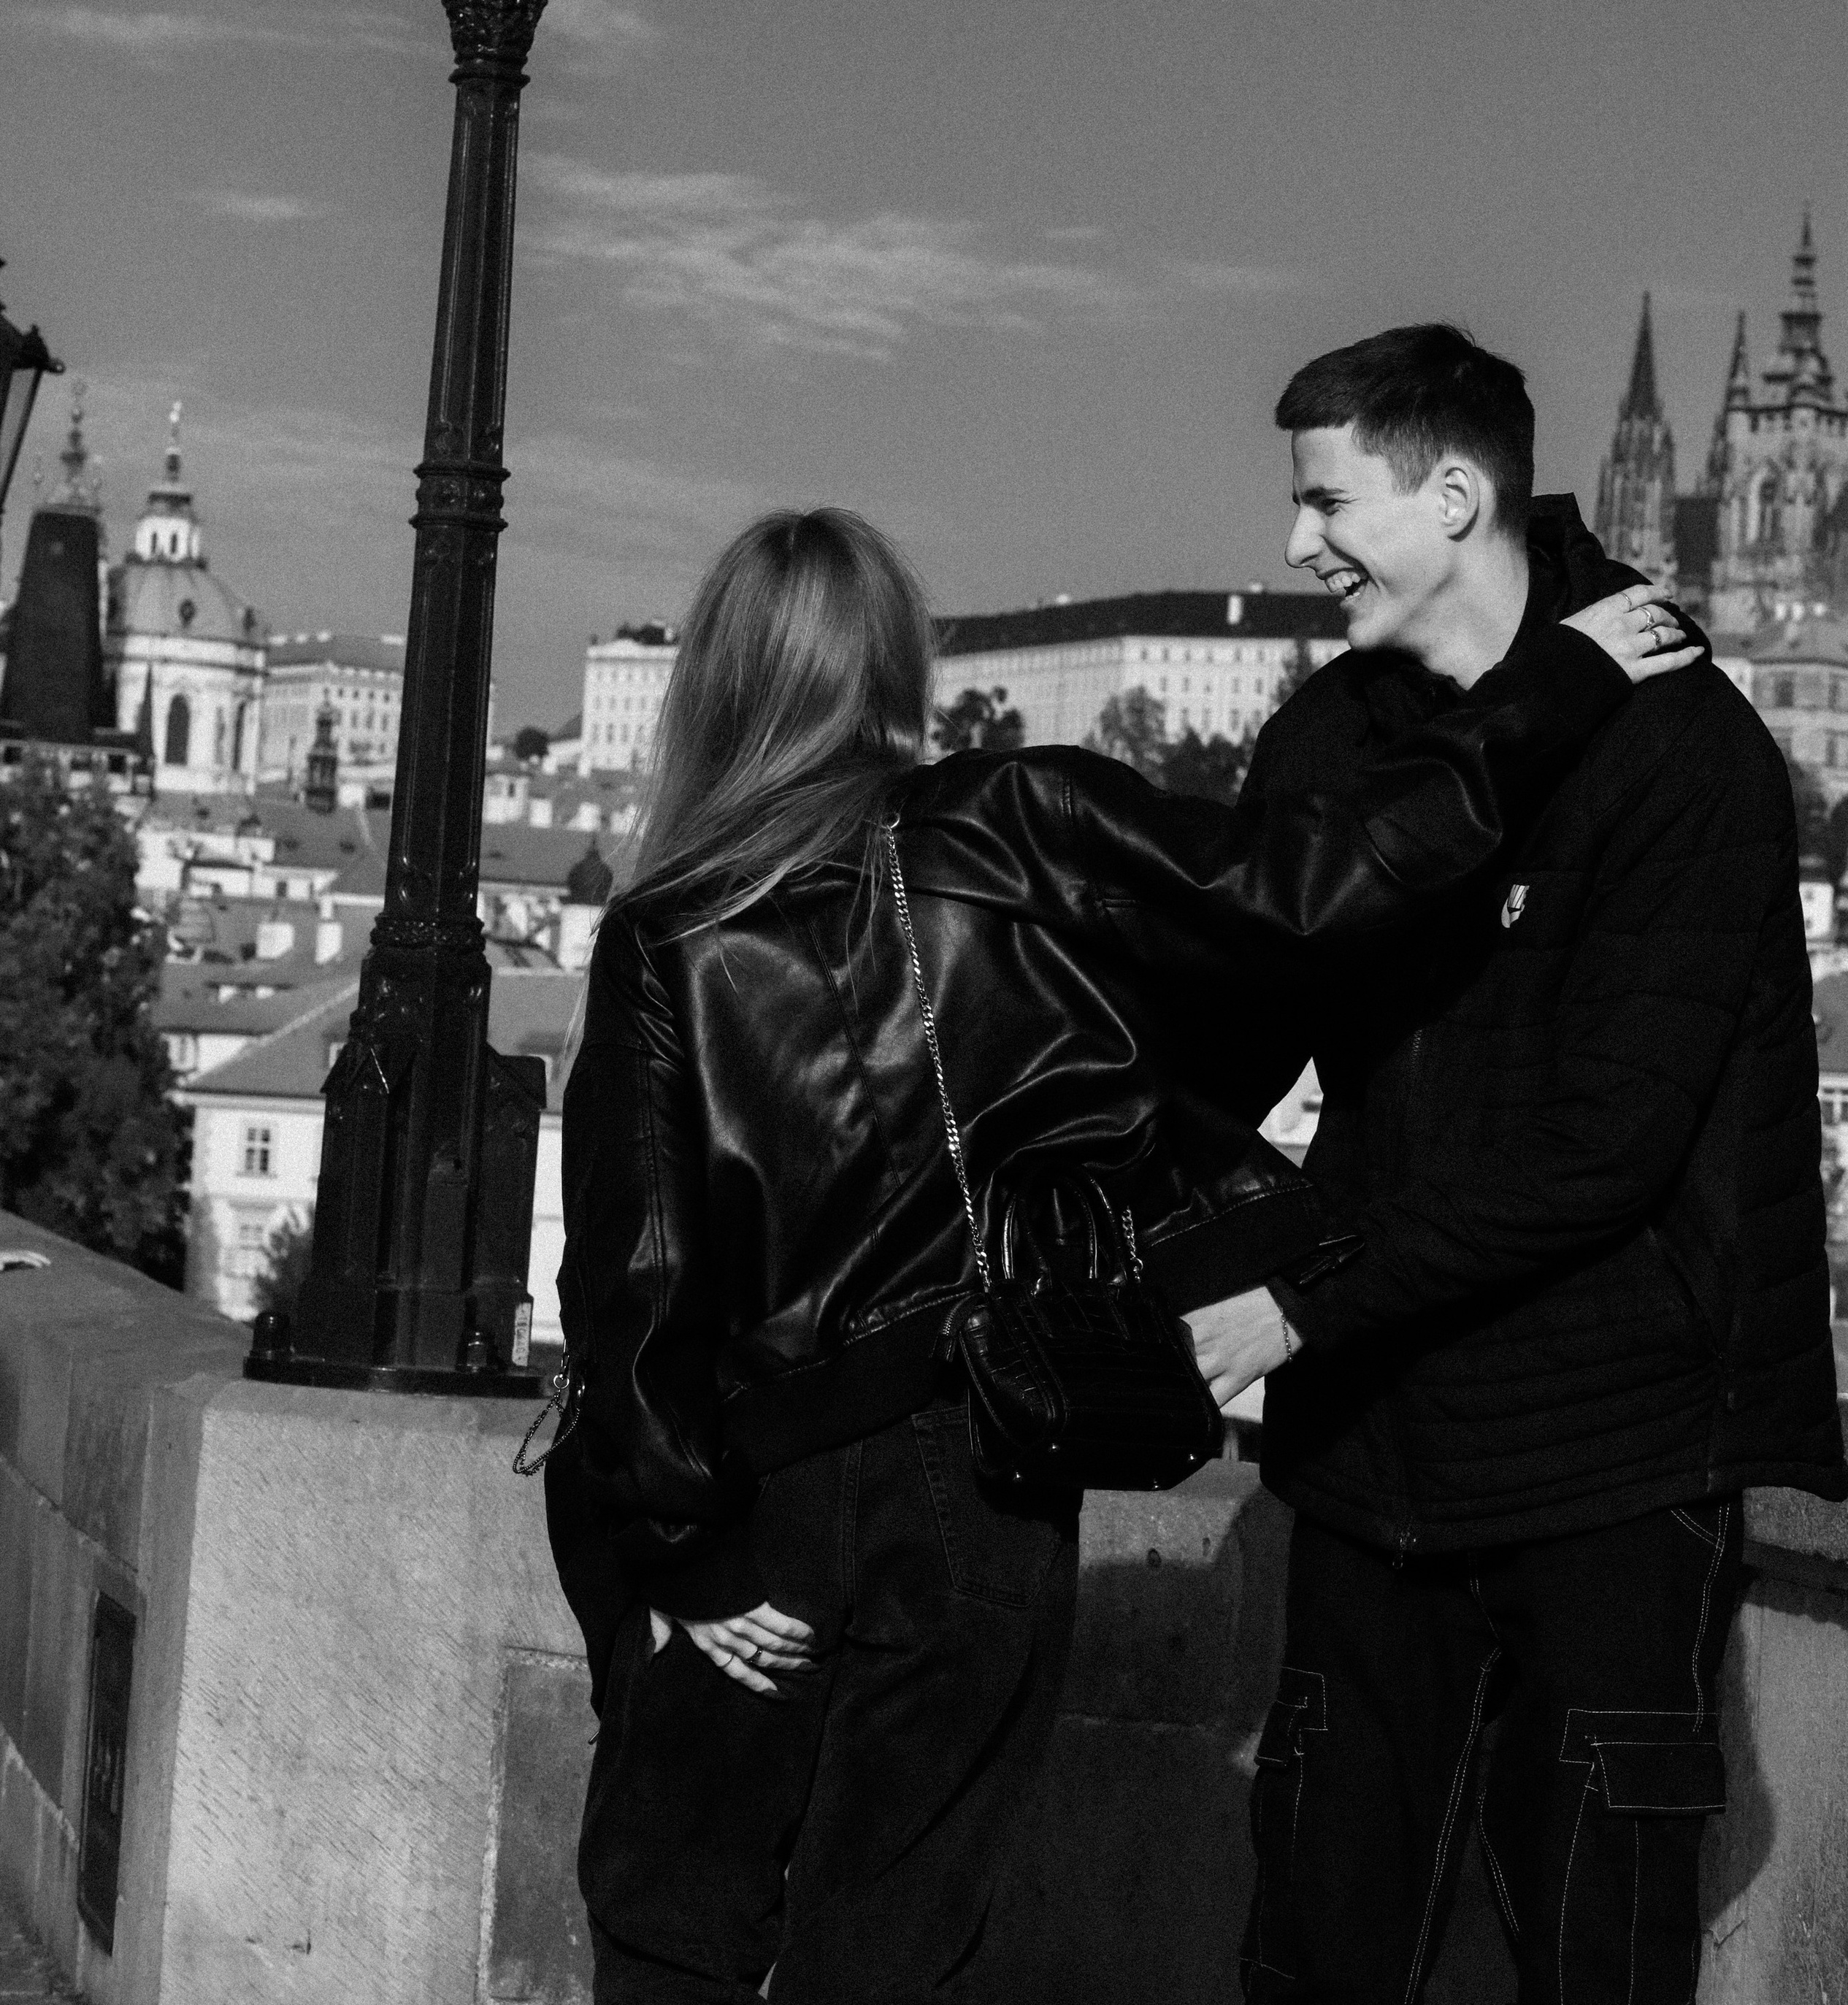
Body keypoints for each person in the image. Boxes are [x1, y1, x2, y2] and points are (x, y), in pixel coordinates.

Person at [548, 505, 1688, 2005]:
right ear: (897, 658)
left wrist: (680, 1546)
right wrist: (1561, 678)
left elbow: (628, 1278)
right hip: (983, 1459)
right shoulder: (1013, 821)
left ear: (710, 680)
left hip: (756, 1480)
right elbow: (1316, 876)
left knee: (673, 1926)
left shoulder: (665, 927)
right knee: (898, 1942)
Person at [1186, 324, 1847, 2005]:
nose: (1293, 544)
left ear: (1453, 494)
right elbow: (1223, 1038)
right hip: (1372, 1461)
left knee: (1591, 1965)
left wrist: (1290, 1304)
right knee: (1314, 1958)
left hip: (1604, 1466)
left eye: (1324, 499)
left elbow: (1601, 1149)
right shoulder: (1333, 736)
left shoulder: (1684, 745)